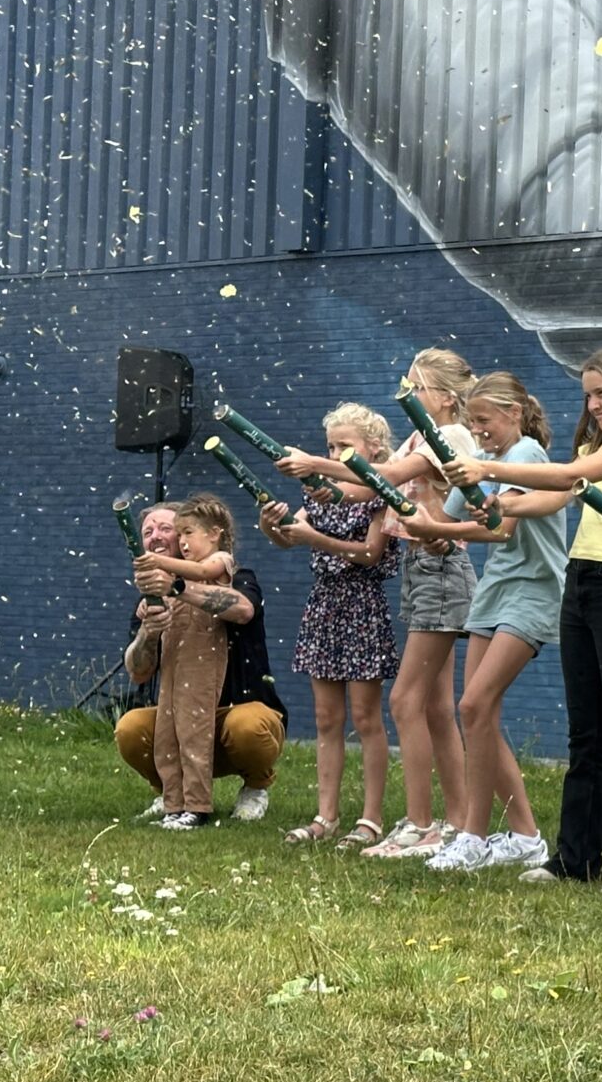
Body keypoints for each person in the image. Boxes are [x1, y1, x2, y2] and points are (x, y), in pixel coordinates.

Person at [448, 341, 602, 894]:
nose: (596, 404)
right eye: (588, 395)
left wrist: (486, 466)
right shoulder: (595, 443)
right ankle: (576, 856)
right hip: (579, 582)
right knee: (584, 730)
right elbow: (556, 498)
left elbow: (564, 478)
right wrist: (502, 502)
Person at [278, 347, 479, 860]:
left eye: (417, 386)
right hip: (421, 568)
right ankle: (456, 823)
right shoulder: (418, 434)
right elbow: (365, 490)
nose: (407, 394)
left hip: (440, 568)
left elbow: (383, 478)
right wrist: (324, 488)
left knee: (404, 702)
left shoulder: (450, 434)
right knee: (434, 706)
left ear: (447, 397)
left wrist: (317, 462)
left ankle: (420, 822)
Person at [403, 371, 568, 872]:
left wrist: (435, 528)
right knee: (477, 712)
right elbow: (453, 525)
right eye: (471, 423)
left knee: (474, 703)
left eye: (484, 421)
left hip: (534, 588)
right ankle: (525, 836)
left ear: (514, 414)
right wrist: (433, 532)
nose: (477, 432)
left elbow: (502, 528)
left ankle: (473, 834)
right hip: (496, 589)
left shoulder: (526, 456)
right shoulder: (484, 461)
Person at [259, 404, 401, 849]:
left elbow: (369, 553)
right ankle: (326, 816)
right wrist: (272, 527)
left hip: (362, 606)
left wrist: (310, 538)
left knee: (364, 716)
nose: (335, 454)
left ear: (373, 449)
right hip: (324, 605)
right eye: (330, 447)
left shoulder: (380, 492)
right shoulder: (318, 493)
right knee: (326, 718)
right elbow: (291, 534)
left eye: (345, 446)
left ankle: (371, 819)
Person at [120, 493, 289, 831]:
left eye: (171, 529)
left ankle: (255, 786)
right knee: (131, 728)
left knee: (247, 726)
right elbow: (138, 672)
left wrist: (176, 584)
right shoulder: (155, 594)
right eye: (147, 531)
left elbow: (242, 609)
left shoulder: (233, 572)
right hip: (179, 711)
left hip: (235, 716)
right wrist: (149, 633)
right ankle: (171, 798)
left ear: (212, 533)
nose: (160, 538)